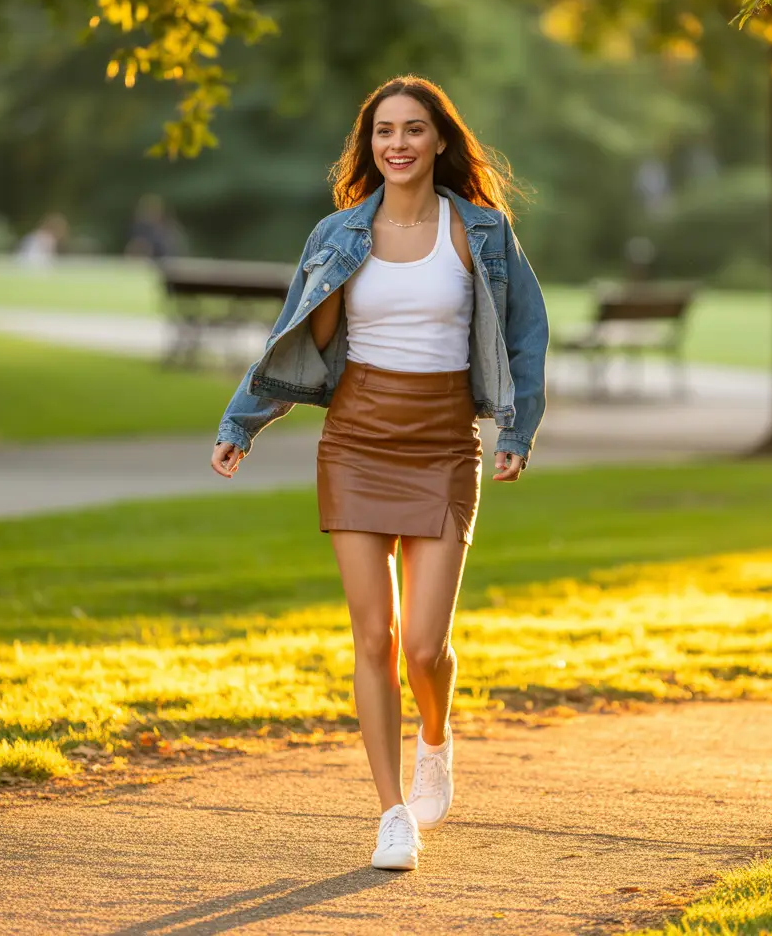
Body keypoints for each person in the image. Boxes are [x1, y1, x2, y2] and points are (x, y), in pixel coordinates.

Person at [211, 76, 549, 871]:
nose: (397, 144)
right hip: (356, 439)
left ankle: (436, 738)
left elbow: (528, 333)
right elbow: (290, 333)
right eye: (383, 132)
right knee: (374, 636)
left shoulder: (482, 232)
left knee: (425, 647)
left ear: (439, 142)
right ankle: (392, 813)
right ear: (370, 145)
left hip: (441, 443)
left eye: (413, 130)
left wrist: (517, 428)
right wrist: (242, 424)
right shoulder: (337, 233)